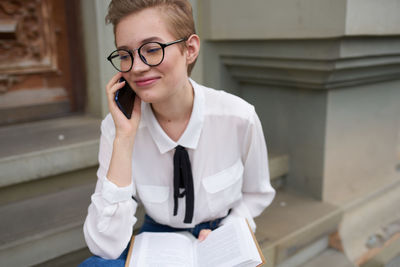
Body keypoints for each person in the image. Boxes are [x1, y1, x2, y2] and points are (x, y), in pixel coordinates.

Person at [79, 0, 275, 265]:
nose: (136, 67)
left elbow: (257, 193)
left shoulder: (238, 117)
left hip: (219, 230)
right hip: (158, 236)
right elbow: (106, 246)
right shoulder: (116, 127)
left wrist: (231, 229)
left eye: (151, 49)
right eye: (125, 55)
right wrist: (124, 138)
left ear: (190, 49)